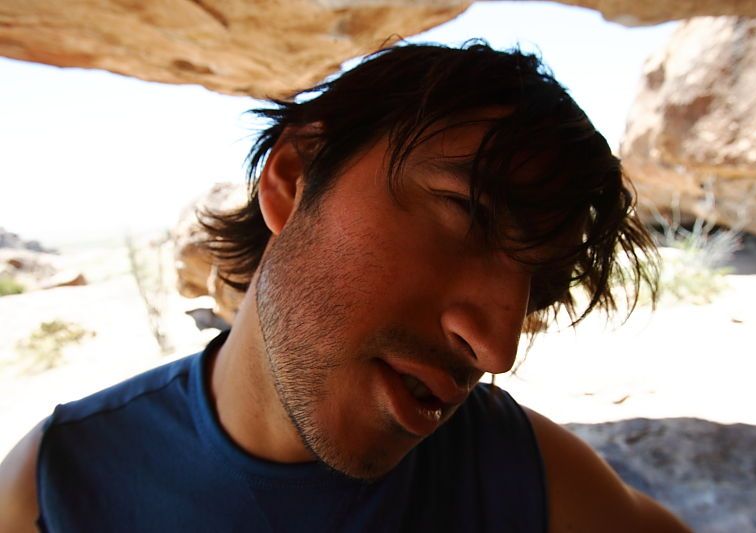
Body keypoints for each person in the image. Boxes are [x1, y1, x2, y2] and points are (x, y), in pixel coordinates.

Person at [0, 42, 691, 532]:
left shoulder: (523, 475)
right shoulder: (55, 486)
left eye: (534, 286)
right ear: (292, 179)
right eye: (468, 216)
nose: (495, 345)